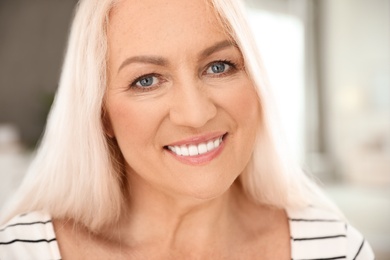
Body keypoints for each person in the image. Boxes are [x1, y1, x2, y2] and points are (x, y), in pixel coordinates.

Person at [0, 0, 375, 259]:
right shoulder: (22, 251)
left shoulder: (335, 247)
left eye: (218, 67)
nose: (195, 115)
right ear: (102, 115)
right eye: (146, 80)